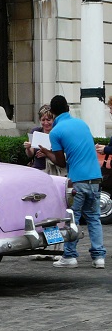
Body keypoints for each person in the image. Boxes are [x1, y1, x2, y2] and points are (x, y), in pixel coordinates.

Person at [38, 95, 106, 269]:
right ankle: (99, 258)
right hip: (95, 177)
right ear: (68, 108)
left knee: (71, 219)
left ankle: (69, 256)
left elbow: (60, 162)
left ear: (52, 112)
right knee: (94, 219)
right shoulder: (82, 124)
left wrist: (46, 152)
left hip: (77, 180)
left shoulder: (56, 132)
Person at [24, 104, 65, 176]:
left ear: (53, 120)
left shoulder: (58, 132)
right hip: (38, 170)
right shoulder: (35, 131)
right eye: (43, 120)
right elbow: (30, 154)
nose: (46, 123)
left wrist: (47, 153)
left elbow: (63, 154)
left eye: (48, 120)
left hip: (53, 171)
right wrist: (28, 148)